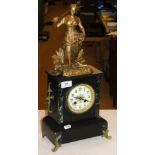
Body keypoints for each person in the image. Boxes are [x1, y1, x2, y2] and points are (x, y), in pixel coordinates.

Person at [53, 4, 86, 68]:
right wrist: (54, 22)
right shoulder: (65, 18)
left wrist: (84, 33)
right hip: (68, 36)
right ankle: (69, 65)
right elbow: (56, 26)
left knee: (75, 51)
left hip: (75, 36)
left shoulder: (77, 19)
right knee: (68, 50)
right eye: (71, 10)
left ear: (76, 11)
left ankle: (75, 63)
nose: (72, 12)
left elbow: (81, 26)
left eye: (74, 10)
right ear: (69, 9)